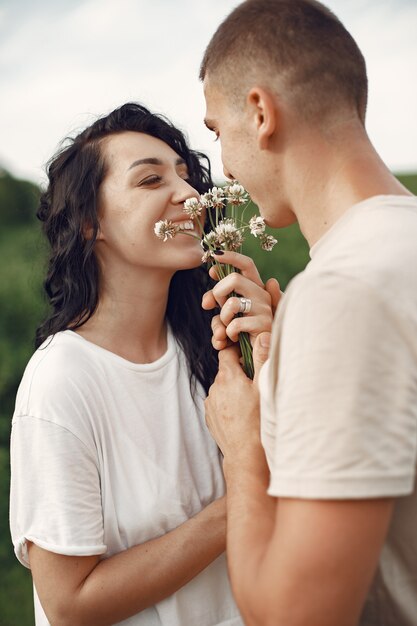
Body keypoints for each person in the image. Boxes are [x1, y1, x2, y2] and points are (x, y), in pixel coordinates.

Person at [9, 102, 276, 626]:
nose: (189, 195)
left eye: (186, 175)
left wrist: (275, 362)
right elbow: (70, 604)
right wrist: (246, 488)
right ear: (90, 224)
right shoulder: (62, 380)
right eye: (151, 180)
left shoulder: (217, 343)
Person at [200, 1, 417, 625]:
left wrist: (243, 447)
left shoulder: (341, 292)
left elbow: (297, 615)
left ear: (261, 113)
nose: (225, 168)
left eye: (218, 132)